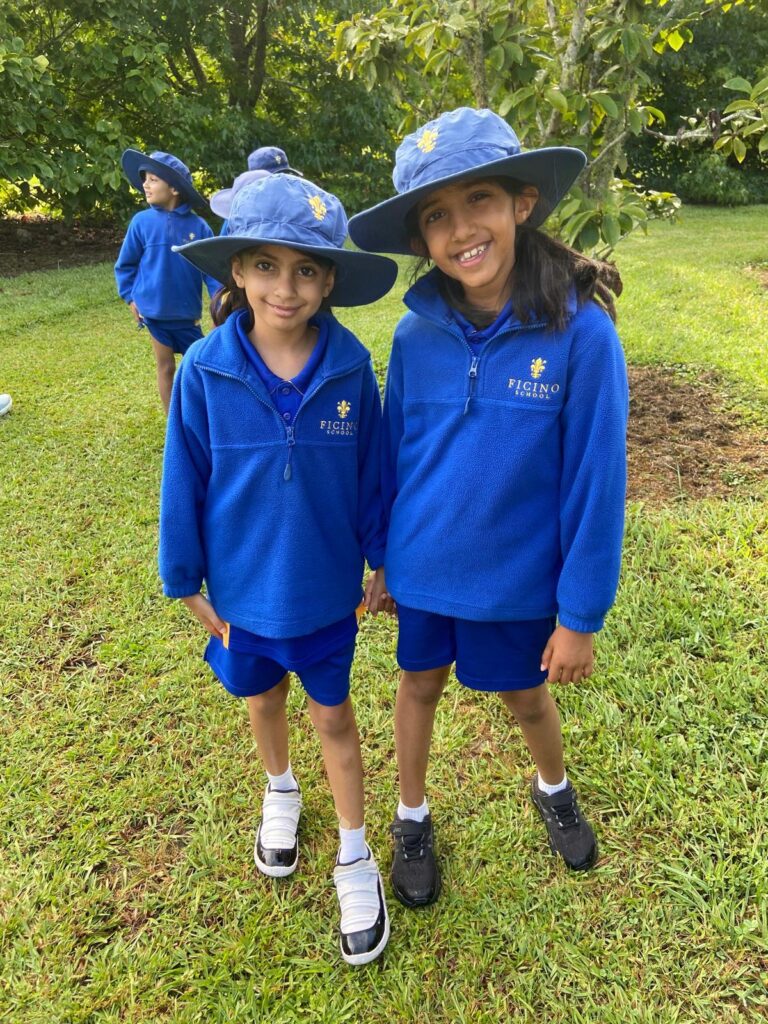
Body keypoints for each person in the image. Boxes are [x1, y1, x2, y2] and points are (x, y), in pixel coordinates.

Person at [348, 107, 628, 907]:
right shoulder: (413, 336)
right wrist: (384, 556)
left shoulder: (583, 336)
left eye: (479, 202)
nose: (461, 229)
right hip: (423, 571)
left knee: (526, 697)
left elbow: (595, 485)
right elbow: (395, 455)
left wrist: (580, 615)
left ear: (522, 203)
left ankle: (554, 789)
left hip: (517, 583)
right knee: (417, 686)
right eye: (436, 216)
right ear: (419, 238)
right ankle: (411, 816)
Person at [159, 173, 398, 965]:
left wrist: (382, 560)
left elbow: (372, 475)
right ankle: (280, 790)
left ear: (329, 279)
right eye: (265, 266)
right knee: (262, 697)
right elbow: (182, 481)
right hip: (243, 594)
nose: (284, 288)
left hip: (327, 593)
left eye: (304, 270)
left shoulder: (350, 370)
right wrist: (184, 579)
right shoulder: (202, 370)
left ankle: (356, 855)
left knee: (335, 718)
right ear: (237, 272)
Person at [115, 149, 221, 414]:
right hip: (155, 316)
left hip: (188, 316)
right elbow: (125, 265)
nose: (145, 185)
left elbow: (211, 270)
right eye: (144, 179)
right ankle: (172, 420)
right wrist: (129, 297)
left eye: (153, 179)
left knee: (201, 366)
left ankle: (207, 415)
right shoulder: (141, 222)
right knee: (166, 368)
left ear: (174, 188)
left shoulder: (199, 227)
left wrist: (221, 299)